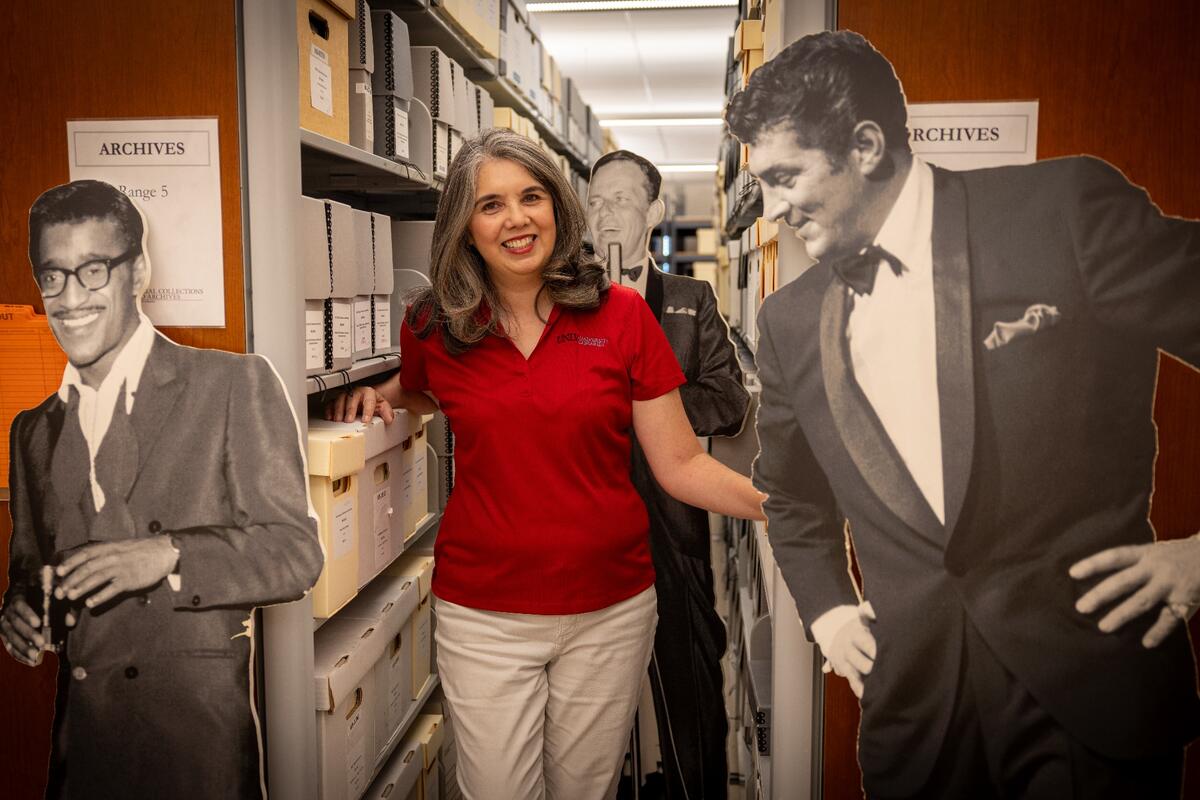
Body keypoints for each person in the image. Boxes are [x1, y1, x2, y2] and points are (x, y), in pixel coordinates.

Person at [726, 30, 1200, 799]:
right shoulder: (786, 322)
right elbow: (792, 498)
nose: (772, 209)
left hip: (1088, 701)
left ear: (867, 145)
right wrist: (830, 615)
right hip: (916, 716)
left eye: (786, 177)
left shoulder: (1063, 214)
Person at [330, 128, 765, 800]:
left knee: (583, 792)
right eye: (491, 204)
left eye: (531, 196)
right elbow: (425, 389)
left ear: (558, 208)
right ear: (464, 225)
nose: (516, 218)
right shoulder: (433, 324)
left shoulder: (621, 316)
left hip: (611, 611)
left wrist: (780, 507)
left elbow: (680, 464)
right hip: (485, 613)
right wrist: (378, 393)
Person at [1, 179, 323, 799]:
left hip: (196, 752)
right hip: (85, 755)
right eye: (53, 276)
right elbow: (33, 570)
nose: (70, 298)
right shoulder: (33, 432)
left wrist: (169, 552)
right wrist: (24, 609)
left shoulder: (232, 384)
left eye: (93, 270)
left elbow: (295, 553)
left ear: (138, 270)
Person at [587, 149, 749, 799]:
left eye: (622, 200)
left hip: (671, 529)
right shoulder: (561, 303)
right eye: (595, 202)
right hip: (585, 532)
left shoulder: (688, 301)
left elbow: (729, 400)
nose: (607, 214)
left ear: (655, 212)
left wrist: (650, 403)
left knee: (686, 691)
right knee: (592, 712)